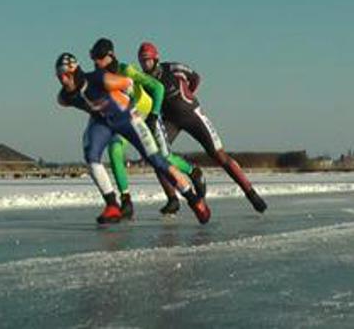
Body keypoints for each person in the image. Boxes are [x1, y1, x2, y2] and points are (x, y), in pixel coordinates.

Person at [55, 52, 211, 225]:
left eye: (66, 75)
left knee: (157, 160)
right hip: (103, 122)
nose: (63, 80)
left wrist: (130, 98)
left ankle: (193, 199)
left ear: (76, 71)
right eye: (60, 76)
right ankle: (112, 205)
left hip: (127, 117)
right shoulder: (64, 97)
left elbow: (128, 82)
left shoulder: (100, 78)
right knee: (91, 155)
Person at [137, 42, 267, 213]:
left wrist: (189, 96)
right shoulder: (143, 80)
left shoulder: (172, 67)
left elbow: (196, 78)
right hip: (170, 121)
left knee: (219, 155)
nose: (145, 65)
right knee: (157, 158)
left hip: (192, 115)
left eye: (147, 61)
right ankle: (172, 199)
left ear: (156, 59)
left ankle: (251, 193)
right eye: (142, 61)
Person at [89, 38, 206, 217]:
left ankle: (192, 171)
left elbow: (158, 88)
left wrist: (154, 115)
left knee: (162, 157)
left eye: (99, 57)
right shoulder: (99, 78)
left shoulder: (126, 70)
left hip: (146, 112)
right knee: (114, 150)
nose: (95, 62)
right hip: (128, 117)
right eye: (93, 58)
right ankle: (126, 200)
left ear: (110, 56)